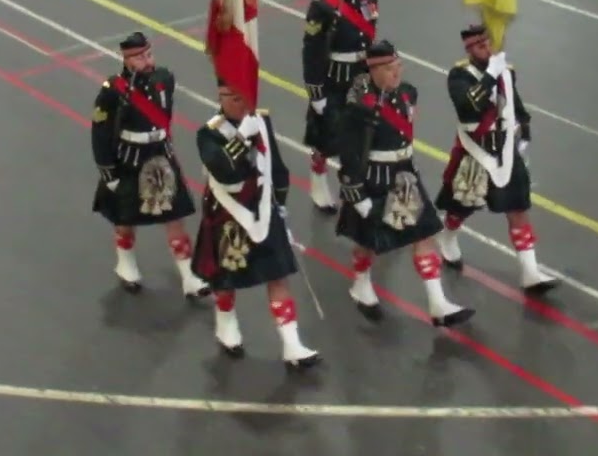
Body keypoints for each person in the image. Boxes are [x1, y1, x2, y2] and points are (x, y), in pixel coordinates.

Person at [335, 40, 474, 327]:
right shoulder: (359, 109)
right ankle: (360, 283)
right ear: (372, 70)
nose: (396, 72)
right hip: (376, 177)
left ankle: (437, 303)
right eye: (388, 68)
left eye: (397, 66)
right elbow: (349, 154)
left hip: (404, 175)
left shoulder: (408, 94)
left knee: (422, 235)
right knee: (367, 241)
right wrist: (357, 196)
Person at [190, 80, 321, 371]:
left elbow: (276, 167)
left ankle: (291, 343)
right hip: (228, 212)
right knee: (225, 278)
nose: (240, 103)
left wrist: (282, 206)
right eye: (233, 97)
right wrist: (240, 140)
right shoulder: (208, 134)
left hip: (262, 208)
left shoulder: (261, 122)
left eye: (243, 96)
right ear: (220, 98)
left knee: (278, 275)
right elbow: (223, 171)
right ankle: (226, 325)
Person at [433, 24, 557, 295]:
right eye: (479, 45)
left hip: (505, 151)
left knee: (518, 208)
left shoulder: (505, 72)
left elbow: (517, 107)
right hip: (476, 152)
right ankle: (448, 236)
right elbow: (470, 105)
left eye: (488, 42)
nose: (486, 48)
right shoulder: (459, 76)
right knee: (462, 205)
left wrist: (523, 132)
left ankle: (529, 271)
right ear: (468, 50)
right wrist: (490, 74)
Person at [91, 32, 211, 298]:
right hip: (129, 158)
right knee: (125, 217)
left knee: (174, 217)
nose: (147, 61)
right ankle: (125, 263)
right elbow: (100, 131)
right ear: (127, 60)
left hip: (158, 155)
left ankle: (188, 276)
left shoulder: (164, 79)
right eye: (140, 57)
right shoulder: (113, 91)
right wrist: (107, 169)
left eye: (148, 54)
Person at [301, 0, 379, 213]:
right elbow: (311, 52)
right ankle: (318, 174)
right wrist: (316, 93)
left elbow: (369, 38)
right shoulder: (321, 8)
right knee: (327, 137)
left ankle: (353, 189)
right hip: (335, 80)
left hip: (362, 79)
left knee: (361, 136)